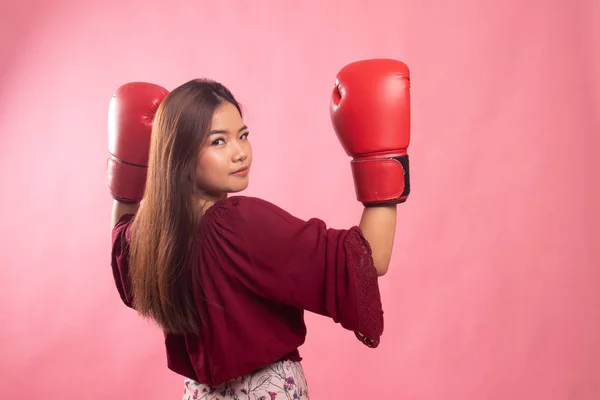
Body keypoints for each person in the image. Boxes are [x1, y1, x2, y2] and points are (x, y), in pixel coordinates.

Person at [107, 59, 411, 399]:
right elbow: (367, 260)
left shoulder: (150, 236)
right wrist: (383, 159)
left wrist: (126, 177)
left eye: (243, 135)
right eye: (218, 142)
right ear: (178, 154)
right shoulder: (239, 224)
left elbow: (122, 237)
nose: (241, 153)